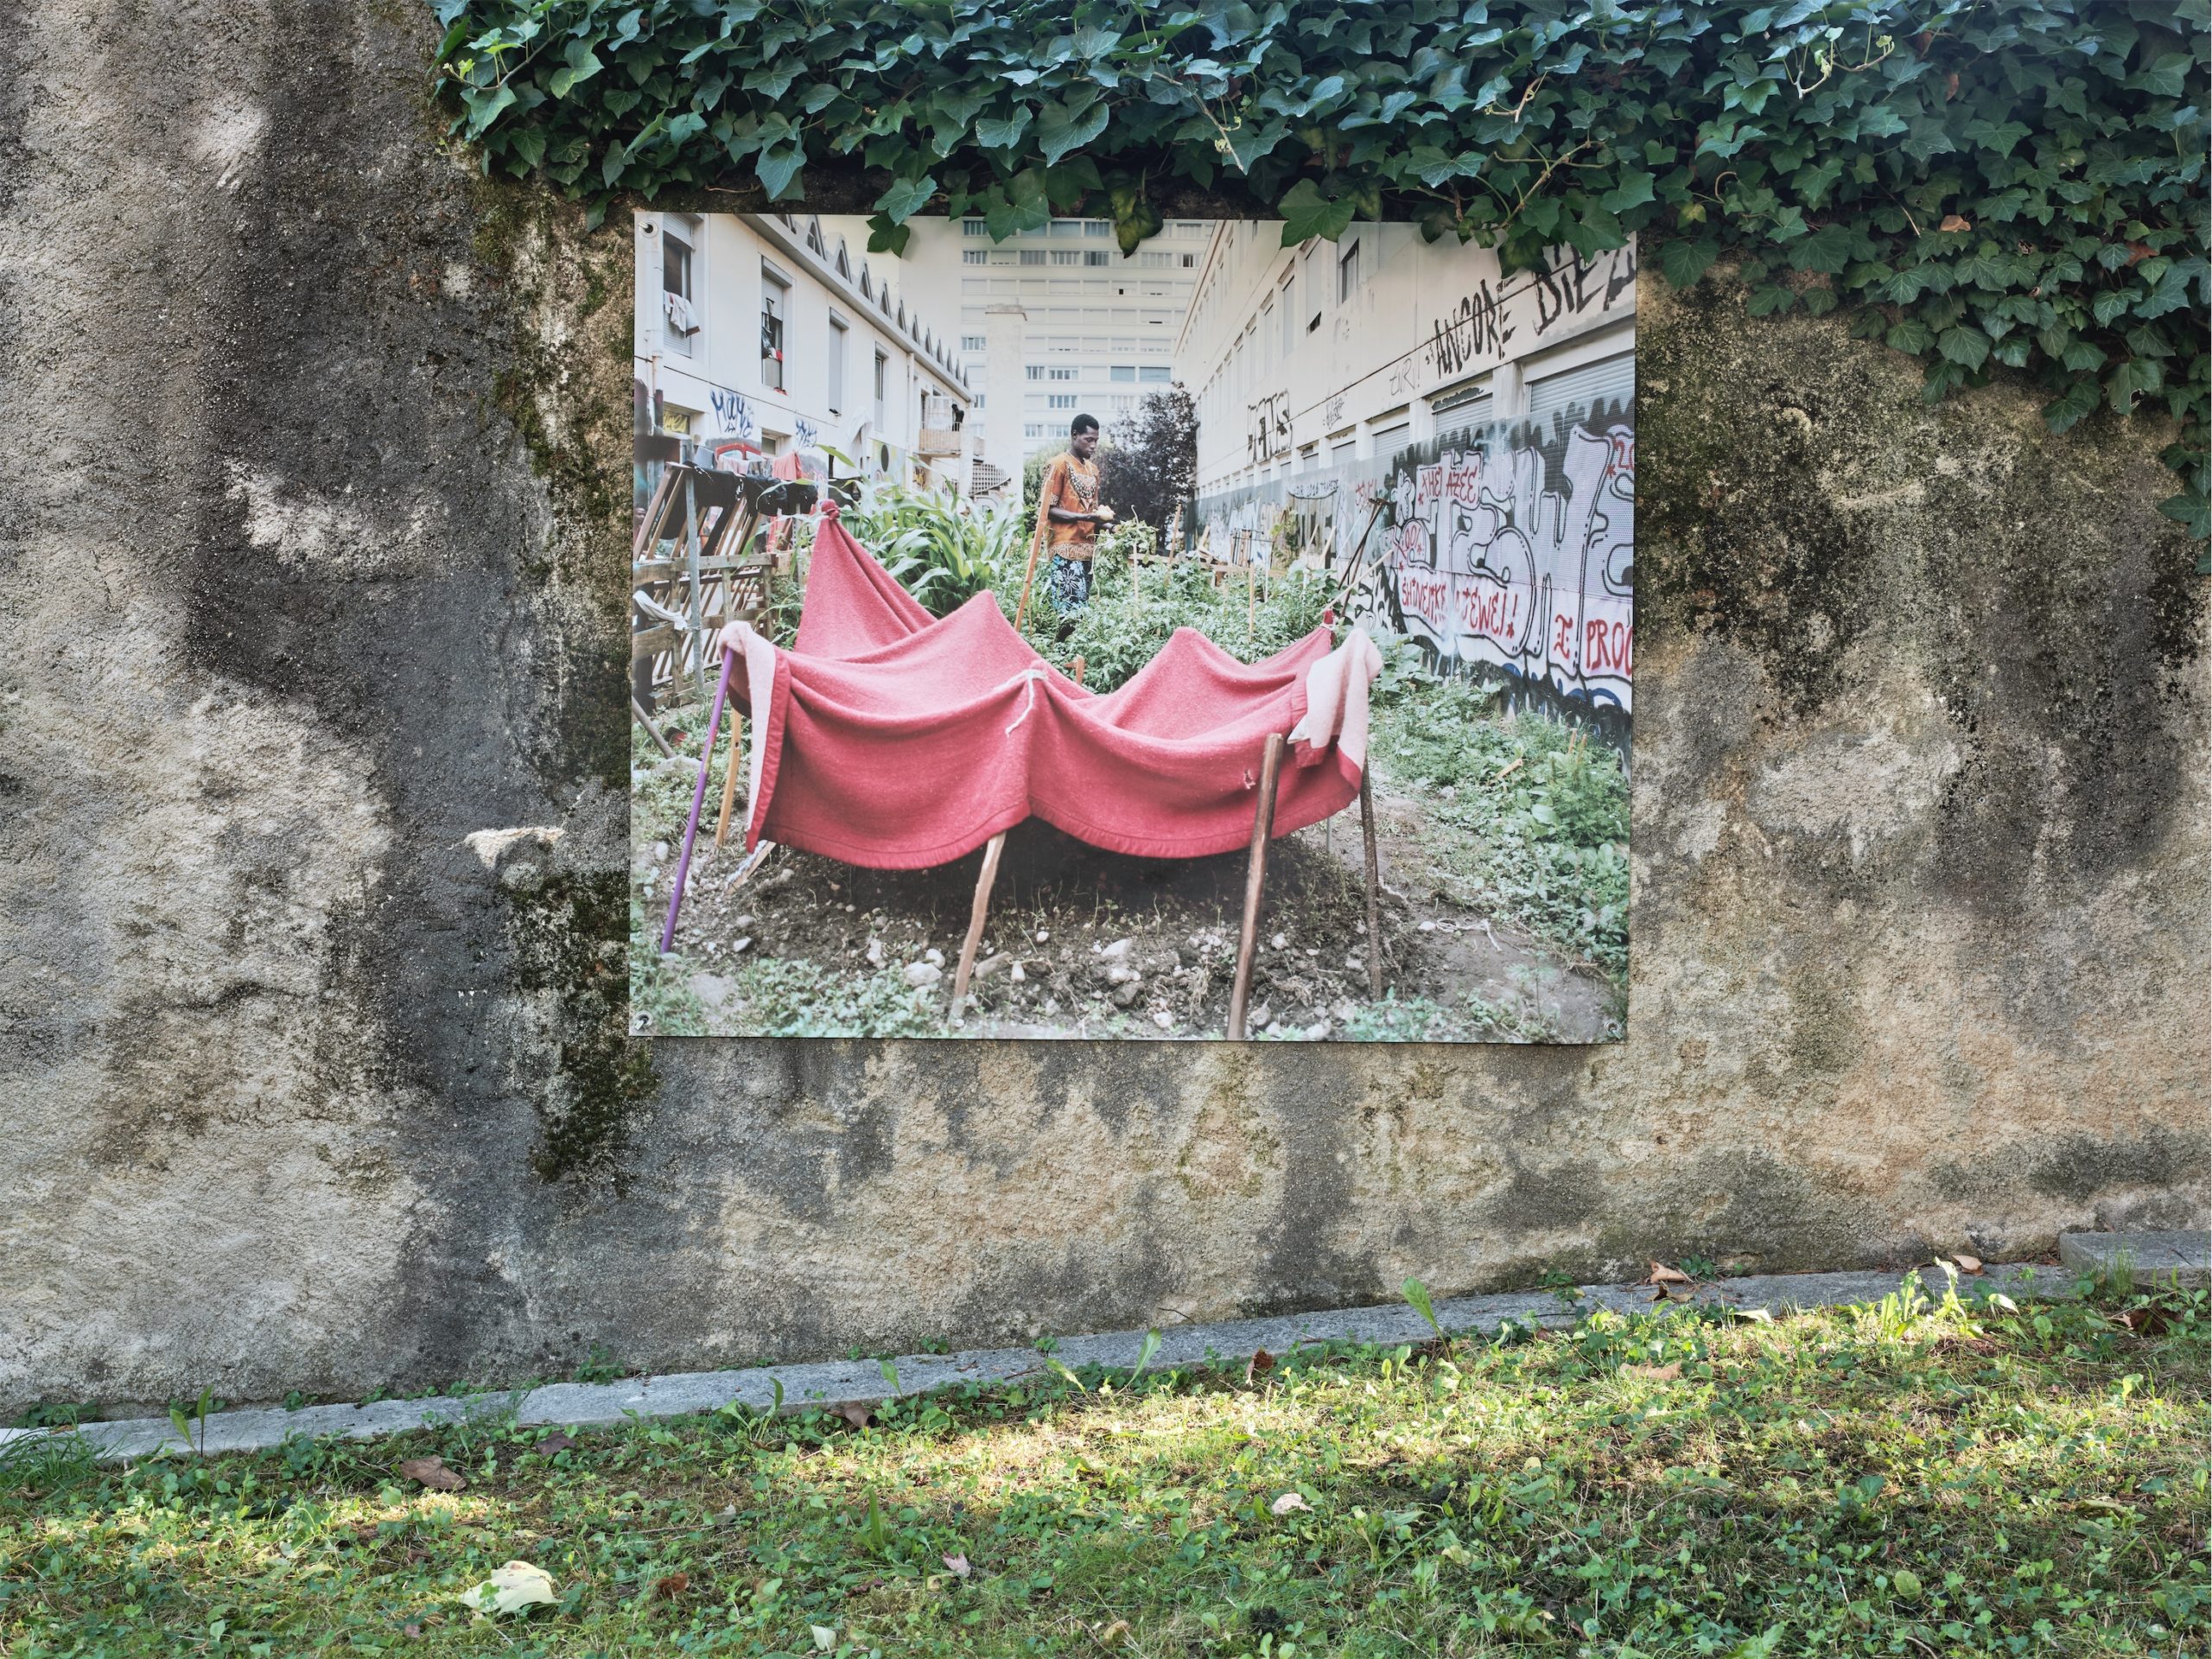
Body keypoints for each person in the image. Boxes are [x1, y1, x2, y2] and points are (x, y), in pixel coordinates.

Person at [1025, 413, 1115, 619]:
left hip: (1088, 549)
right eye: (1089, 440)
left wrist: (1112, 528)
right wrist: (1087, 518)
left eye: (1096, 441)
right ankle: (1062, 651)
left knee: (1082, 610)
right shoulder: (1058, 465)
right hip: (1064, 547)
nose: (1093, 446)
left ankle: (1074, 651)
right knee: (1069, 612)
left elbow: (1092, 513)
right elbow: (1048, 509)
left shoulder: (1093, 470)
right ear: (1075, 436)